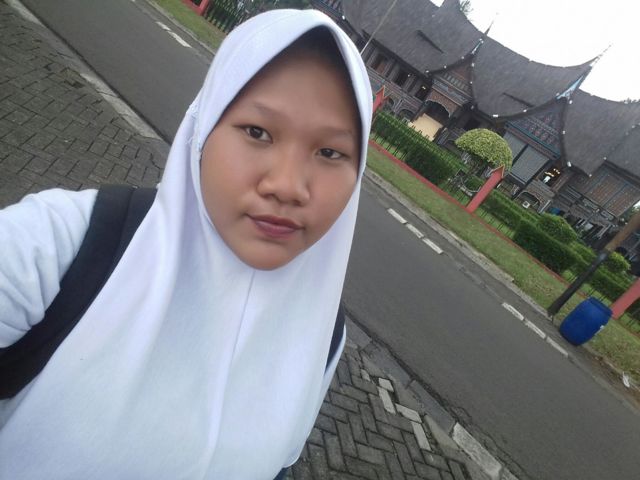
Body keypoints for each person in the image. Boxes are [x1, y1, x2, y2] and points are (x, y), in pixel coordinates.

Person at [0, 8, 372, 480]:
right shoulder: (59, 246)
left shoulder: (324, 334)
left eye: (330, 152)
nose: (287, 186)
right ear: (204, 129)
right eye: (257, 132)